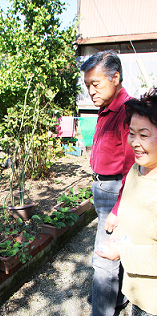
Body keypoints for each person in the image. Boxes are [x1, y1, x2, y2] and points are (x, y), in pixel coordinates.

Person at [80, 50, 135, 316]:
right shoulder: (107, 107)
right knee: (116, 246)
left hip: (116, 191)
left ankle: (102, 312)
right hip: (104, 187)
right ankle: (116, 300)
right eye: (87, 85)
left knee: (104, 256)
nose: (90, 90)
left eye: (96, 83)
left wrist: (117, 209)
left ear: (115, 77)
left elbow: (133, 167)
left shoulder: (126, 111)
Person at [96, 88, 157, 316]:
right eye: (132, 133)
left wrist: (123, 252)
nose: (135, 142)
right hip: (138, 294)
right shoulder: (136, 170)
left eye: (144, 134)